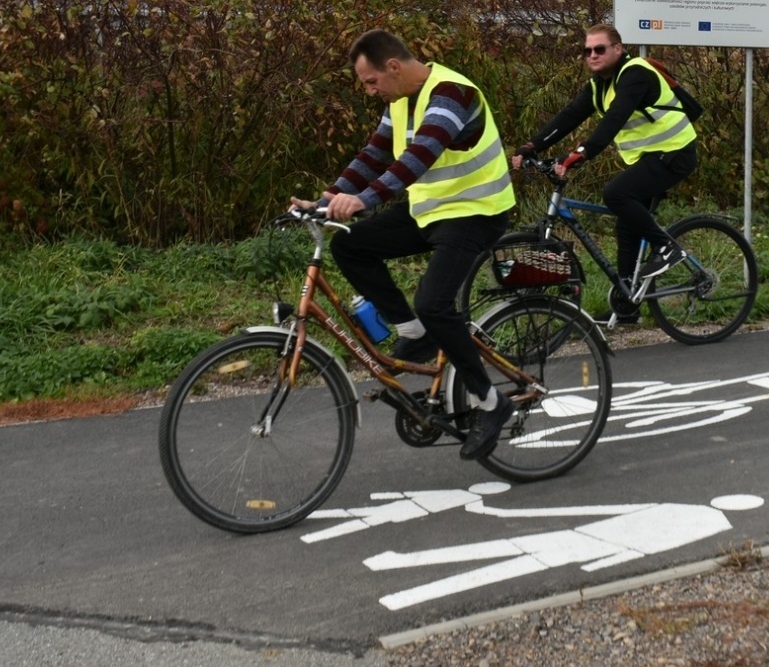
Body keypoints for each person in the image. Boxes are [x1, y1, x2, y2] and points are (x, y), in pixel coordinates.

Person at [291, 29, 516, 461]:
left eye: (370, 82)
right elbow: (374, 155)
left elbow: (420, 156)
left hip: (476, 211)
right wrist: (326, 200)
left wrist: (364, 199)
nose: (370, 91)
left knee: (434, 302)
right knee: (351, 246)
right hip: (430, 210)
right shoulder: (400, 101)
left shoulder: (452, 92)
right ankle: (413, 333)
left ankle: (491, 401)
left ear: (393, 66)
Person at [511, 24, 697, 313]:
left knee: (616, 194)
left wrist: (580, 154)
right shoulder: (599, 85)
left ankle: (668, 248)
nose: (592, 56)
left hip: (675, 152)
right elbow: (570, 115)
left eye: (599, 49)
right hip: (647, 158)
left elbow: (615, 118)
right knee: (626, 225)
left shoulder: (635, 73)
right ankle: (627, 303)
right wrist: (532, 146)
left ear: (618, 49)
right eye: (587, 51)